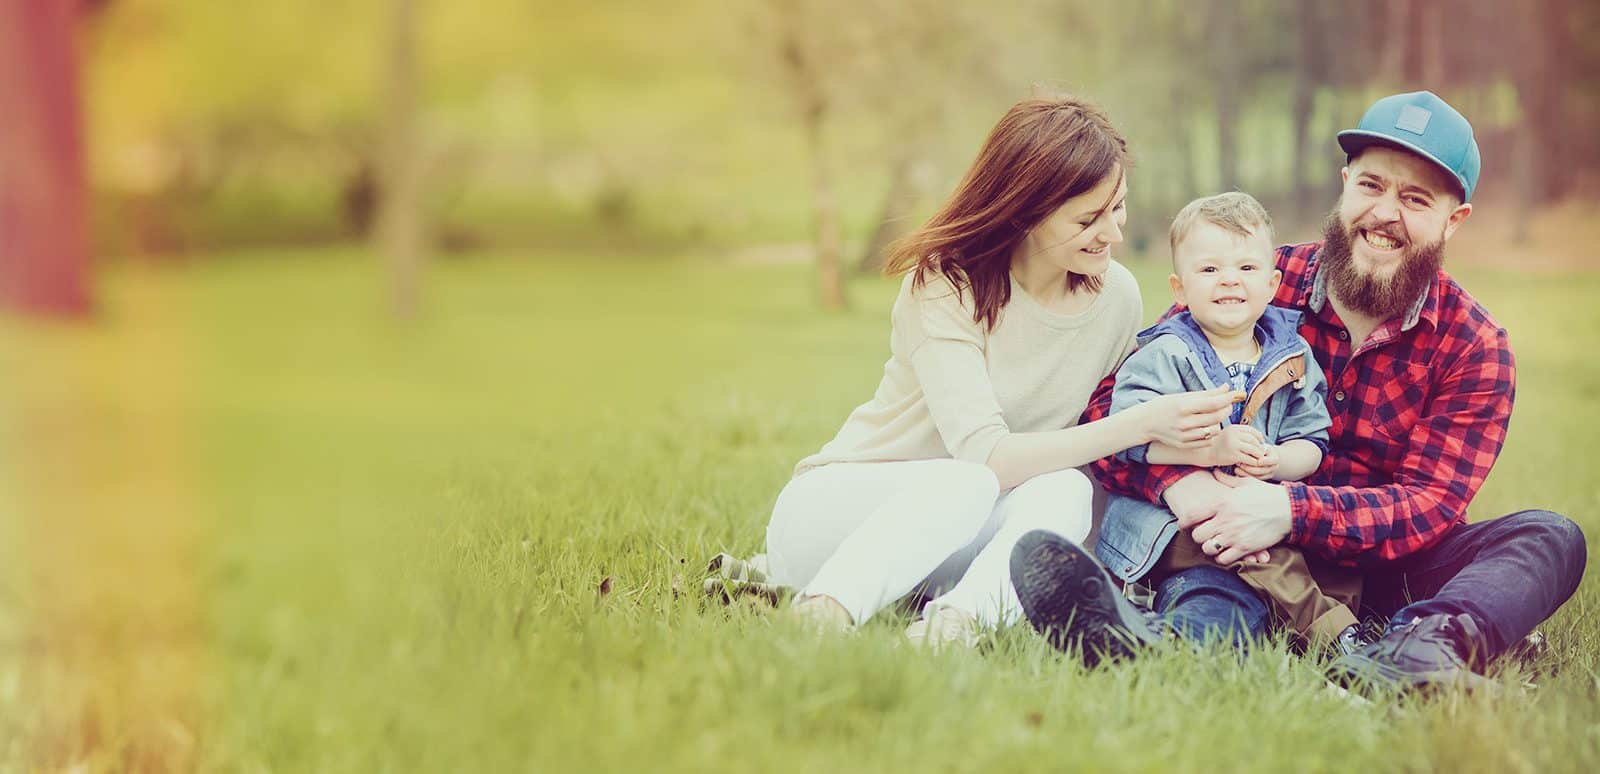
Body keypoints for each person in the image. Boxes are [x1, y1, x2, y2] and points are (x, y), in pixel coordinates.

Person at [1010, 90, 1588, 690]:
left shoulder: (1473, 345)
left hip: (1385, 563)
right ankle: (1159, 645)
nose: (1384, 214)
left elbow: (1428, 505)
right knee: (1214, 588)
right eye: (1371, 187)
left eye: (1414, 200)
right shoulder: (1250, 280)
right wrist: (1188, 485)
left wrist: (1289, 510)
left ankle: (1419, 651)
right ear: (1344, 186)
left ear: (1454, 219)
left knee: (1549, 537)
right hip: (1237, 540)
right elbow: (1115, 412)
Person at [761, 93, 1242, 647]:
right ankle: (824, 611)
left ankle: (952, 629)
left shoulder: (1117, 296)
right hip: (832, 522)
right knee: (969, 479)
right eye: (1088, 218)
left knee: (1067, 490)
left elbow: (1096, 447)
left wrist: (1206, 452)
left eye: (1118, 207)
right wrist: (1144, 423)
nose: (1113, 232)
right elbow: (986, 456)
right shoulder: (944, 283)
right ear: (1026, 212)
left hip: (948, 538)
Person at [1096, 191, 1364, 655]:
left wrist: (1277, 459)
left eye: (1245, 268)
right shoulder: (1164, 354)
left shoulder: (1293, 357)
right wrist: (1208, 452)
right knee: (1262, 557)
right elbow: (1126, 437)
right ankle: (1336, 636)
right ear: (1179, 289)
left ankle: (1156, 632)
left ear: (1273, 283)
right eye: (1209, 269)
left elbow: (1314, 441)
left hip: (1258, 512)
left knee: (1279, 558)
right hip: (1173, 525)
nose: (1228, 282)